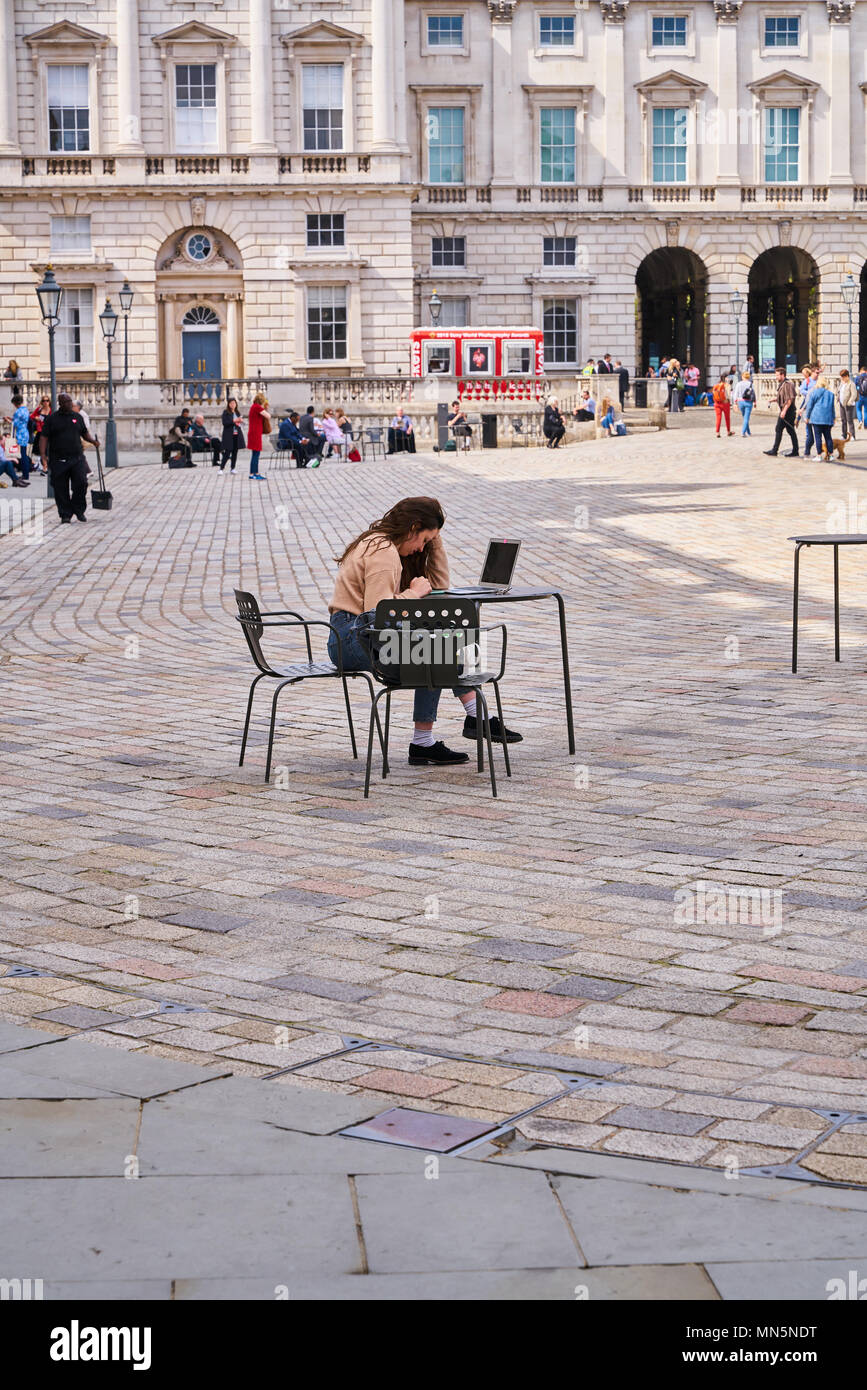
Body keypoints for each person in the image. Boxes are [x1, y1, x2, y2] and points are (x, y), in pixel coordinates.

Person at [326, 496, 522, 766]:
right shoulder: (382, 550)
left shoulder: (383, 543)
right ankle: (470, 718)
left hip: (355, 637)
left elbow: (440, 588)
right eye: (424, 540)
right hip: (351, 639)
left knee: (436, 644)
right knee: (437, 649)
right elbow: (376, 615)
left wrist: (436, 539)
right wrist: (412, 593)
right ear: (412, 527)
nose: (421, 549)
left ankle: (431, 741)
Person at [39, 393, 98, 521]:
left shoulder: (77, 417)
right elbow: (44, 437)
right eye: (66, 402)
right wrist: (43, 455)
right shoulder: (52, 419)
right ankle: (65, 514)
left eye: (70, 401)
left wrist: (93, 441)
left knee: (81, 483)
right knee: (60, 488)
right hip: (58, 459)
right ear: (60, 403)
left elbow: (84, 433)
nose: (69, 404)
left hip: (77, 457)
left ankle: (78, 509)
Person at [763, 366, 799, 458]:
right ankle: (793, 450)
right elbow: (783, 398)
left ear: (782, 375)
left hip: (788, 411)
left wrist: (784, 411)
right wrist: (774, 400)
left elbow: (789, 400)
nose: (776, 377)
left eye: (777, 375)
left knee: (783, 430)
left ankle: (777, 450)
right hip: (786, 410)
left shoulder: (787, 384)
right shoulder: (783, 384)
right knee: (786, 430)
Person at [804, 375, 836, 460]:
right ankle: (831, 454)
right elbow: (832, 407)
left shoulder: (815, 392)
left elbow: (810, 406)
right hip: (828, 419)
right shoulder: (831, 394)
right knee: (828, 437)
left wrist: (807, 417)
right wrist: (834, 417)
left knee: (818, 438)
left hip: (817, 418)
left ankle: (819, 455)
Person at [5, 393, 32, 479]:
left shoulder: (17, 412)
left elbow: (15, 424)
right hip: (25, 432)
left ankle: (25, 475)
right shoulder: (25, 410)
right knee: (24, 454)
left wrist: (8, 421)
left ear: (15, 403)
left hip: (20, 433)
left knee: (23, 455)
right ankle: (26, 473)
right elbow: (21, 421)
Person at [796, 366, 818, 457]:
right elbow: (801, 390)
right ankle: (807, 451)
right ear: (812, 372)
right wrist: (809, 393)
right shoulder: (807, 381)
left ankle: (819, 452)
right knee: (809, 433)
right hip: (808, 405)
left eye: (818, 373)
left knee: (817, 432)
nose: (818, 374)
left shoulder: (819, 381)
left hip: (817, 408)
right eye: (816, 372)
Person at [247, 391, 270, 479]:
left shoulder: (253, 407)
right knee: (256, 454)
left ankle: (254, 473)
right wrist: (265, 408)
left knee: (255, 454)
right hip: (255, 433)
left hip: (254, 432)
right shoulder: (257, 407)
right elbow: (268, 416)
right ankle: (254, 474)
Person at [220, 397, 244, 472]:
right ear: (228, 404)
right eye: (231, 403)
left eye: (234, 403)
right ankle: (221, 468)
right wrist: (234, 420)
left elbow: (238, 423)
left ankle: (233, 467)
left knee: (235, 451)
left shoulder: (237, 412)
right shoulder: (226, 412)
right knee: (227, 451)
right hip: (229, 434)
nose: (233, 405)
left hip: (237, 433)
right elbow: (225, 423)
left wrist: (240, 421)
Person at [28, 396, 51, 473]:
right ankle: (45, 467)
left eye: (47, 401)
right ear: (42, 401)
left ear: (49, 402)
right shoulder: (39, 409)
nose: (45, 402)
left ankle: (47, 466)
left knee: (48, 451)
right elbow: (31, 416)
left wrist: (43, 419)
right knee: (42, 451)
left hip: (48, 433)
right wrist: (36, 418)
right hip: (40, 432)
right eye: (44, 401)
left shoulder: (51, 410)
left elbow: (53, 420)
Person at [733, 371, 755, 436]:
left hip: (740, 402)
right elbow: (753, 394)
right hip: (748, 402)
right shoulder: (751, 384)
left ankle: (748, 432)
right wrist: (755, 402)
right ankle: (743, 432)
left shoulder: (739, 384)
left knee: (745, 417)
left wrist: (735, 402)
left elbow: (735, 394)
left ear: (742, 376)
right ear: (748, 377)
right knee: (746, 418)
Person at [837, 369, 857, 442]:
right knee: (843, 420)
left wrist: (850, 401)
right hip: (842, 404)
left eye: (843, 377)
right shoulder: (842, 383)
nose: (842, 378)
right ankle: (844, 434)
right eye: (841, 377)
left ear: (847, 376)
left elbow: (854, 394)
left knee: (849, 420)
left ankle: (852, 435)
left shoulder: (851, 384)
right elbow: (839, 391)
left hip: (849, 405)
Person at [855, 365, 867, 430]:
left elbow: (855, 386)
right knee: (866, 411)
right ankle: (866, 425)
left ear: (860, 371)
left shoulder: (857, 377)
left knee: (858, 409)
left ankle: (860, 421)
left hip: (859, 396)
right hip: (866, 397)